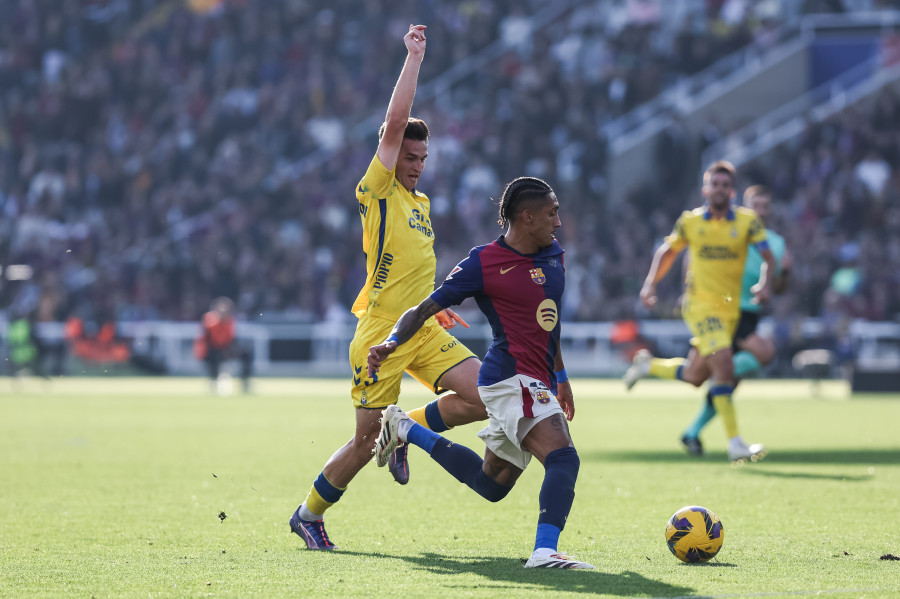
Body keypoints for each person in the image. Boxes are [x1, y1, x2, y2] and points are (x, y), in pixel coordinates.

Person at [289, 24, 485, 551]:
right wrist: (415, 57)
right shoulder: (378, 191)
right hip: (380, 336)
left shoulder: (421, 207)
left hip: (419, 329)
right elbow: (395, 122)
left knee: (486, 397)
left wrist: (432, 310)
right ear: (391, 155)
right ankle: (308, 513)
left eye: (422, 160)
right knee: (361, 441)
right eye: (409, 157)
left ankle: (406, 428)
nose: (416, 167)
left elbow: (415, 272)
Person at [368, 177, 594, 570]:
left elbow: (548, 322)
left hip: (535, 377)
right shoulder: (484, 262)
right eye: (552, 213)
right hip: (510, 377)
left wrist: (561, 377)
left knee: (491, 485)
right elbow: (423, 308)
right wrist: (391, 341)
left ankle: (405, 428)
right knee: (563, 457)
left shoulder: (553, 254)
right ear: (527, 217)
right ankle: (544, 552)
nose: (558, 222)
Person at [623, 161, 776, 463]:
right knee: (725, 368)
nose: (718, 190)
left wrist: (765, 284)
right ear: (705, 189)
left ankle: (647, 366)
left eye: (724, 185)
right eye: (713, 184)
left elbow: (768, 256)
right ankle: (735, 444)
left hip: (730, 309)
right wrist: (650, 284)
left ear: (732, 191)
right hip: (700, 306)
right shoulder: (690, 222)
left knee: (695, 375)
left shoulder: (748, 222)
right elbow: (668, 252)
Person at [678, 185, 792, 456]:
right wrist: (688, 290)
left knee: (714, 379)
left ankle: (692, 432)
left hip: (748, 313)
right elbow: (693, 257)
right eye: (756, 206)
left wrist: (780, 278)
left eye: (765, 207)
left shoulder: (775, 243)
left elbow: (780, 283)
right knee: (764, 353)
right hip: (724, 309)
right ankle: (731, 440)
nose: (760, 212)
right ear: (744, 206)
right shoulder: (732, 231)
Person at [194, 297, 252, 395]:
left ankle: (244, 382)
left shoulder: (230, 321)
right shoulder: (210, 321)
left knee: (247, 354)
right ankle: (213, 381)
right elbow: (210, 340)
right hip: (211, 350)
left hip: (226, 348)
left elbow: (231, 338)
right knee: (214, 356)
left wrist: (230, 349)